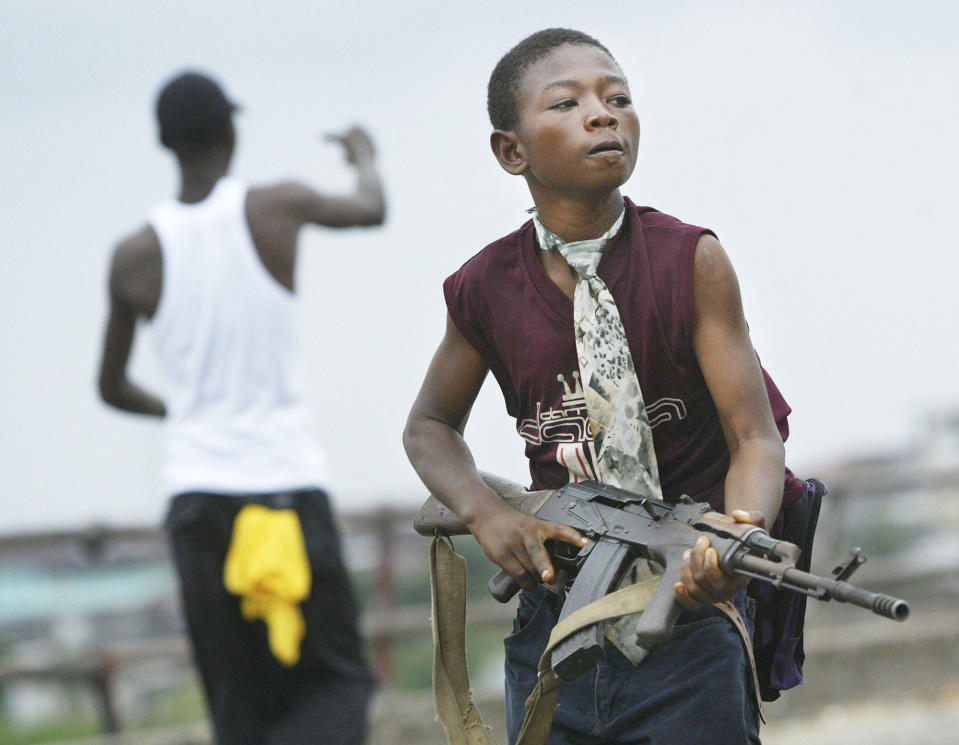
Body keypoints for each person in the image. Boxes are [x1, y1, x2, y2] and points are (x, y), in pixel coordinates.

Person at [403, 29, 805, 745]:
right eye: (568, 102)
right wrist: (488, 515)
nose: (602, 113)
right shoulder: (485, 288)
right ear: (511, 151)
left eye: (617, 97)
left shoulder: (689, 261)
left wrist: (734, 536)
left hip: (686, 627)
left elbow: (753, 435)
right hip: (554, 632)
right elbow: (429, 426)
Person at [97, 70, 385, 745]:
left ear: (166, 143)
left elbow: (111, 386)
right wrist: (362, 152)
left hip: (199, 502)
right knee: (338, 682)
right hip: (282, 487)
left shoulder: (133, 255)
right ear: (230, 129)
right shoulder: (274, 207)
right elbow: (369, 207)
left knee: (238, 704)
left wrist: (184, 412)